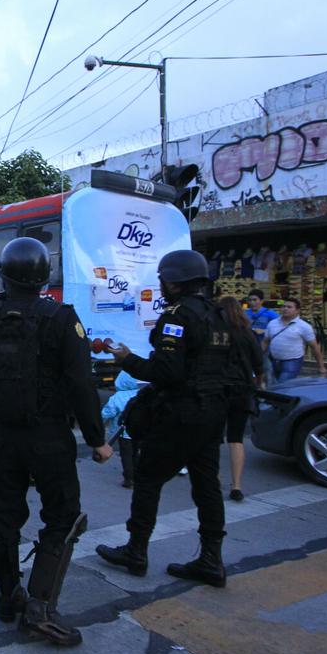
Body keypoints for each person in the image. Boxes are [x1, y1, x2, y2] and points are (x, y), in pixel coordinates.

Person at [0, 237, 112, 646]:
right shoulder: (61, 318)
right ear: (44, 276)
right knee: (64, 516)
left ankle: (8, 595)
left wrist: (4, 409)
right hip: (49, 438)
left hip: (3, 438)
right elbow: (81, 386)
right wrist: (98, 439)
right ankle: (40, 608)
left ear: (2, 275)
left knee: (3, 518)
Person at [97, 249, 231, 589]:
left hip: (180, 412)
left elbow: (167, 372)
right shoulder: (218, 315)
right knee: (207, 484)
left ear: (175, 282)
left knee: (147, 479)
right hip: (213, 410)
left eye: (162, 279)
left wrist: (128, 360)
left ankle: (136, 550)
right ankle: (212, 560)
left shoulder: (178, 316)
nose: (160, 285)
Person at [218, 297, 263, 502]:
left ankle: (215, 478)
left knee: (213, 437)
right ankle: (236, 485)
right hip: (243, 389)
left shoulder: (217, 334)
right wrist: (256, 384)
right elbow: (259, 365)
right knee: (236, 439)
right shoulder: (249, 334)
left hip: (218, 389)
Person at [262, 298, 326, 383]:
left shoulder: (304, 326)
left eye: (289, 307)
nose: (285, 309)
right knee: (274, 385)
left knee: (282, 385)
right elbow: (265, 341)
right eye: (284, 306)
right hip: (275, 360)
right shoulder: (272, 323)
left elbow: (314, 347)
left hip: (292, 361)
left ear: (297, 311)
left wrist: (321, 366)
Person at [100, 371, 146, 489]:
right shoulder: (143, 394)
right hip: (140, 431)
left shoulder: (118, 397)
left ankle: (129, 478)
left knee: (126, 455)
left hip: (124, 432)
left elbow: (107, 413)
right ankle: (138, 475)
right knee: (137, 453)